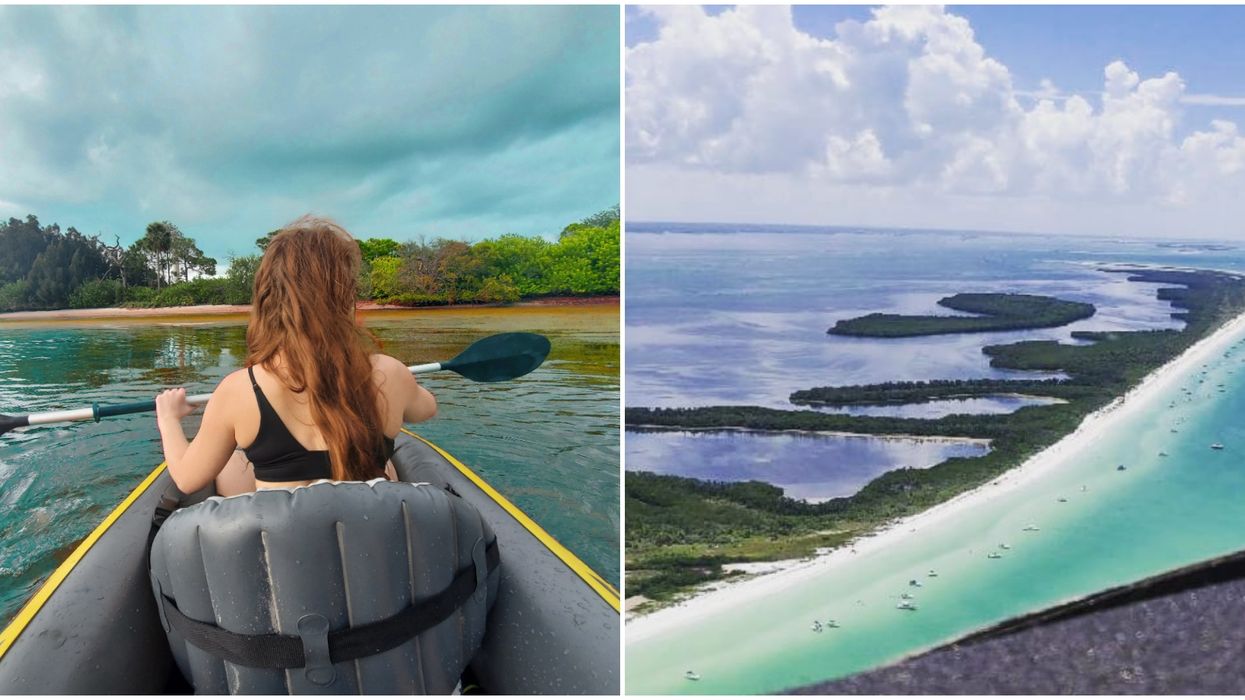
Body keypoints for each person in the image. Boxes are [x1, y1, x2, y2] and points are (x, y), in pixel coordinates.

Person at [153, 215, 436, 496]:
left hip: (287, 539)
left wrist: (168, 418)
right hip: (366, 532)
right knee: (389, 470)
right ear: (345, 293)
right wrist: (400, 379)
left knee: (232, 467)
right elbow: (427, 409)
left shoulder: (238, 390)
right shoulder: (391, 373)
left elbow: (188, 480)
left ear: (267, 298)